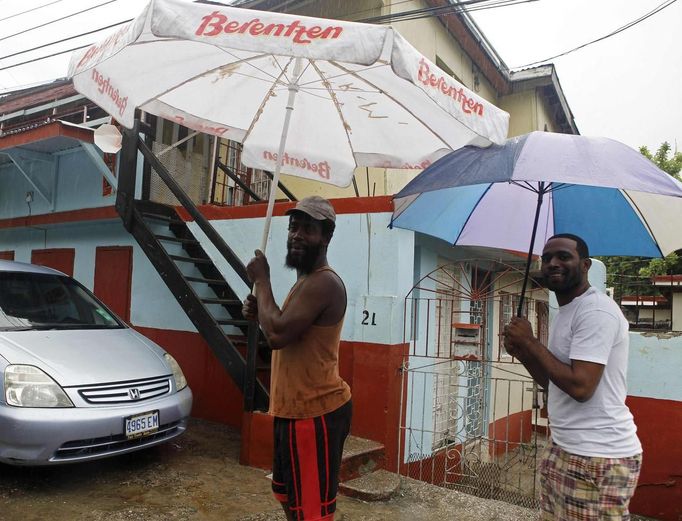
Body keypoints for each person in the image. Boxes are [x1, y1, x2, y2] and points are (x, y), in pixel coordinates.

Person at [503, 233, 642, 520]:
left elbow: (581, 387)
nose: (553, 263)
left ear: (586, 265)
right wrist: (524, 354)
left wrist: (531, 343)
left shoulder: (595, 311)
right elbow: (555, 383)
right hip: (564, 447)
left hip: (597, 456)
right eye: (547, 257)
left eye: (564, 256)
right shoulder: (568, 310)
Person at [242, 195, 352, 521]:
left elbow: (277, 334)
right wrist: (259, 315)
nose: (297, 235)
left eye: (308, 229)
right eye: (293, 227)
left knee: (312, 513)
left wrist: (262, 281)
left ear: (327, 237)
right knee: (287, 496)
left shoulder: (325, 283)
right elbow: (280, 337)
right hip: (292, 411)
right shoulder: (304, 281)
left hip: (315, 413)